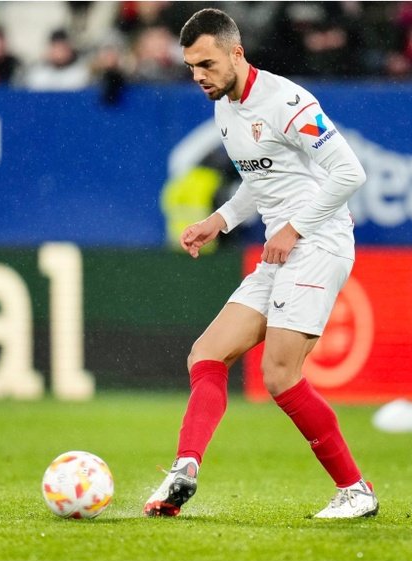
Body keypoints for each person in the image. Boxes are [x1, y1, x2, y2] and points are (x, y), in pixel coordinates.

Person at [143, 8, 378, 519]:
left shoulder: (289, 102)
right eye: (190, 68)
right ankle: (185, 467)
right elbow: (261, 178)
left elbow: (349, 173)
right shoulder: (225, 107)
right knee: (206, 354)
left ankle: (356, 490)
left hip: (318, 243)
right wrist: (219, 221)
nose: (198, 77)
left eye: (206, 64)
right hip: (284, 247)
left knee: (279, 374)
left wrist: (294, 227)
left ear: (236, 53)